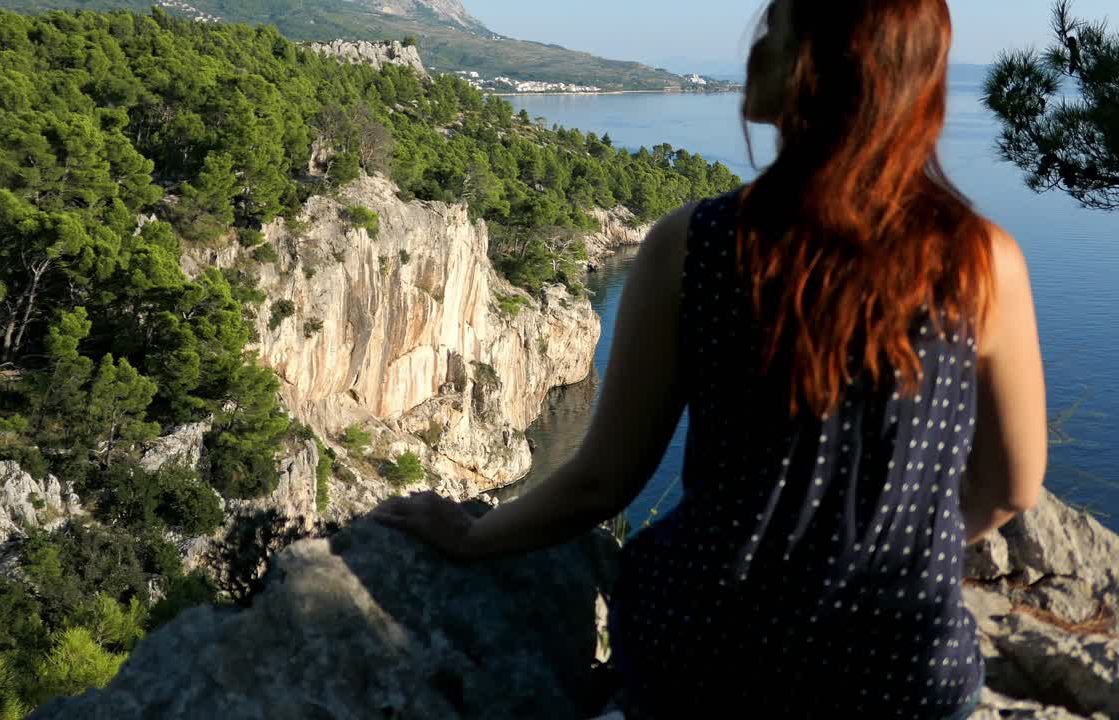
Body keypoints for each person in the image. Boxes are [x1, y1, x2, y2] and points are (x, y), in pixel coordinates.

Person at [373, 0, 1048, 716]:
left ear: (824, 75)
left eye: (775, 36)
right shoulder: (983, 263)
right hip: (897, 671)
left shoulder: (695, 247)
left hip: (708, 653)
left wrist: (475, 536)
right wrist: (895, 548)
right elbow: (1012, 485)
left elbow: (602, 482)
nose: (751, 52)